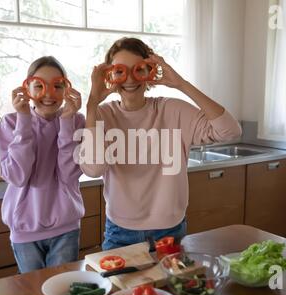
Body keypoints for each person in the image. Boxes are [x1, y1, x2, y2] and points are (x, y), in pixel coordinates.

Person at [80, 37, 242, 250]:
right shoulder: (101, 114)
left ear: (149, 72)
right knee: (120, 285)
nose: (129, 79)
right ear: (110, 76)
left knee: (168, 285)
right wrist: (92, 103)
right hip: (120, 231)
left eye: (137, 69)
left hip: (170, 230)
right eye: (120, 71)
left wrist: (181, 84)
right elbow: (93, 169)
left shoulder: (173, 110)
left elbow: (230, 131)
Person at [0, 56, 85, 273]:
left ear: (66, 89)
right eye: (40, 86)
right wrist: (24, 120)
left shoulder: (77, 121)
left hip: (66, 226)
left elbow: (68, 174)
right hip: (25, 229)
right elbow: (18, 176)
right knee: (33, 292)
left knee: (63, 291)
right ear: (28, 89)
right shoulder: (10, 123)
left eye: (57, 86)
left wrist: (66, 123)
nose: (48, 94)